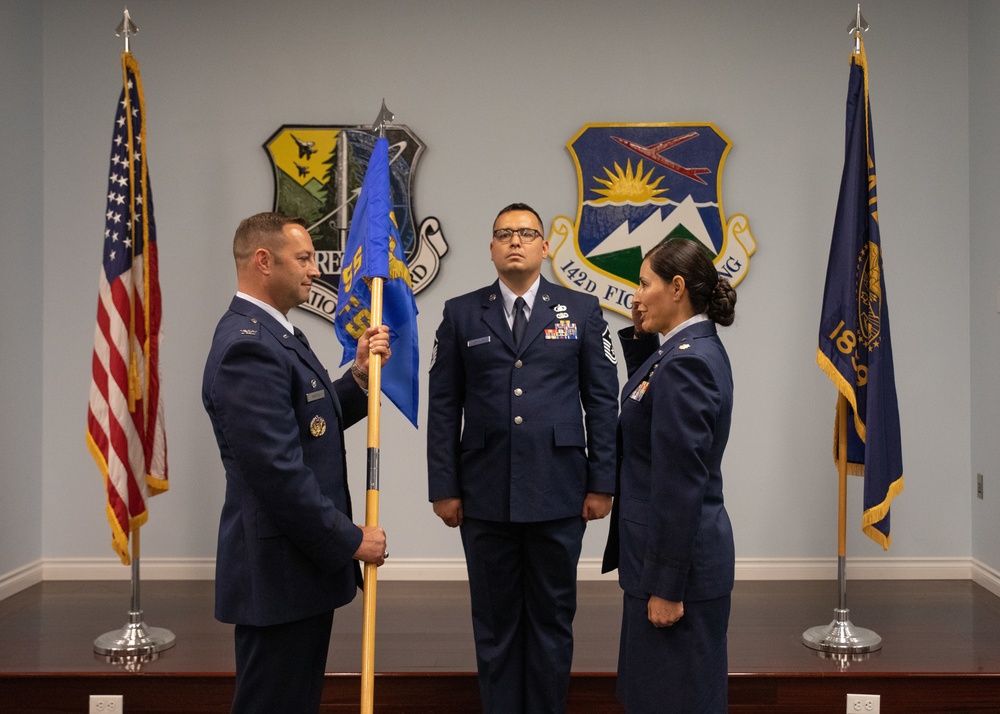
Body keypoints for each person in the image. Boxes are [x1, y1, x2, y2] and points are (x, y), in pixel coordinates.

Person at [427, 203, 620, 714]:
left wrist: (603, 482)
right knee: (494, 624)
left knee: (552, 620)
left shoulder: (580, 310)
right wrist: (443, 487)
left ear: (545, 246)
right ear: (491, 247)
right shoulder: (461, 313)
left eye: (527, 233)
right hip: (484, 495)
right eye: (505, 234)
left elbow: (601, 399)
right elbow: (444, 406)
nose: (516, 241)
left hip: (559, 493)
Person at [202, 212, 390, 714]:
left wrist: (357, 379)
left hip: (297, 570)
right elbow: (278, 475)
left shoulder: (273, 334)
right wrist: (352, 539)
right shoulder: (248, 347)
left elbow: (310, 423)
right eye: (304, 258)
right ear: (264, 261)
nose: (314, 269)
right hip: (279, 572)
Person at [602, 238, 737, 714]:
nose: (635, 296)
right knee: (655, 698)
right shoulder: (686, 351)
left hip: (678, 575)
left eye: (644, 284)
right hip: (669, 564)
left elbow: (680, 486)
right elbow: (647, 407)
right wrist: (641, 339)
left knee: (671, 703)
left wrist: (666, 586)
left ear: (676, 287)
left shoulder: (688, 365)